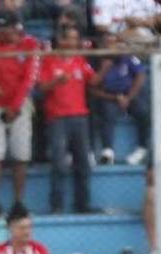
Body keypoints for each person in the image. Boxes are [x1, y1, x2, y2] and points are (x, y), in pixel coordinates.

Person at [0, 10, 40, 218]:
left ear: (15, 27)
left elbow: (28, 79)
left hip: (19, 103)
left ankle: (18, 202)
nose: (1, 33)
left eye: (5, 28)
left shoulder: (30, 44)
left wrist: (14, 106)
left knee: (21, 155)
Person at [39, 23, 94, 215]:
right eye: (70, 38)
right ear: (61, 40)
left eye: (75, 38)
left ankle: (83, 204)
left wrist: (107, 66)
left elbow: (93, 80)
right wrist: (57, 81)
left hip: (80, 116)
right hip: (57, 118)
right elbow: (42, 88)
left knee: (83, 163)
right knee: (59, 164)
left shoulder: (80, 60)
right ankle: (57, 206)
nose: (73, 42)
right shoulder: (49, 61)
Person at [92, 32, 150, 166]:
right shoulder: (96, 59)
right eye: (107, 43)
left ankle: (142, 148)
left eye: (114, 42)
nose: (111, 46)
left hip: (128, 94)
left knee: (143, 111)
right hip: (108, 95)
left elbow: (140, 75)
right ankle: (108, 151)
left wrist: (128, 98)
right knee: (106, 112)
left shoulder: (127, 56)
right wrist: (105, 69)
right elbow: (92, 88)